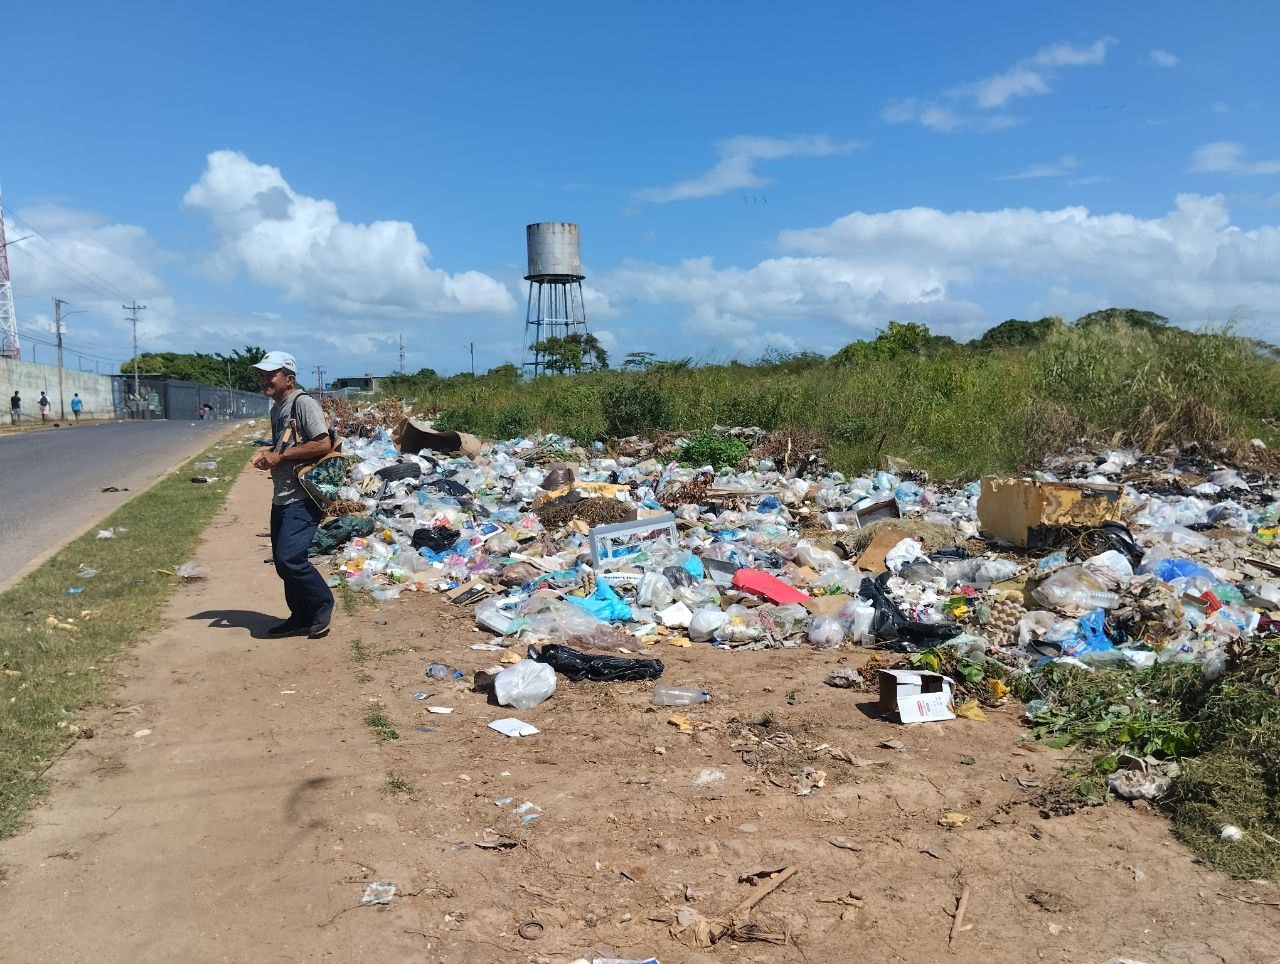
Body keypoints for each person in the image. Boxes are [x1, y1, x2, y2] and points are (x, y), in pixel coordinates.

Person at [249, 351, 335, 639]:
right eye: (262, 374)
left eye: (270, 374)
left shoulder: (303, 403)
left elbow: (323, 444)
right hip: (282, 496)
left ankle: (323, 603)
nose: (265, 379)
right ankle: (300, 616)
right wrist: (271, 458)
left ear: (289, 377)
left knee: (290, 559)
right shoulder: (277, 407)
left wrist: (280, 456)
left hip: (303, 495)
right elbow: (283, 452)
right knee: (283, 563)